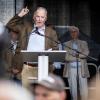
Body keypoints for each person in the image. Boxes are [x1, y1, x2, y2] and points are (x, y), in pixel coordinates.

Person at [6, 7, 58, 88]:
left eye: (42, 17)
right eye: (37, 16)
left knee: (41, 93)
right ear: (34, 17)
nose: (39, 19)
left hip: (43, 68)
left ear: (45, 18)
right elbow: (10, 25)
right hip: (26, 67)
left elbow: (55, 49)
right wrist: (20, 15)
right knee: (26, 94)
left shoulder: (51, 32)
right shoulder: (25, 28)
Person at [63, 26, 89, 100]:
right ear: (70, 34)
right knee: (73, 88)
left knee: (84, 88)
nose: (73, 33)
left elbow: (86, 53)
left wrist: (76, 55)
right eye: (71, 32)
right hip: (71, 68)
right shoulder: (66, 44)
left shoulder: (84, 43)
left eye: (75, 31)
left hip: (82, 68)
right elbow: (66, 57)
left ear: (78, 33)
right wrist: (79, 58)